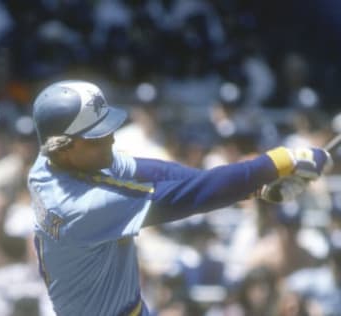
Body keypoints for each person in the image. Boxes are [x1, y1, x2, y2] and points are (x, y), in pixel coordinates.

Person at [27, 80, 332, 316]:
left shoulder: (50, 165)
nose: (111, 138)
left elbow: (152, 171)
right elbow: (190, 196)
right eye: (96, 136)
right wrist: (279, 162)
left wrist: (252, 188)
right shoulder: (83, 206)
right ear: (62, 146)